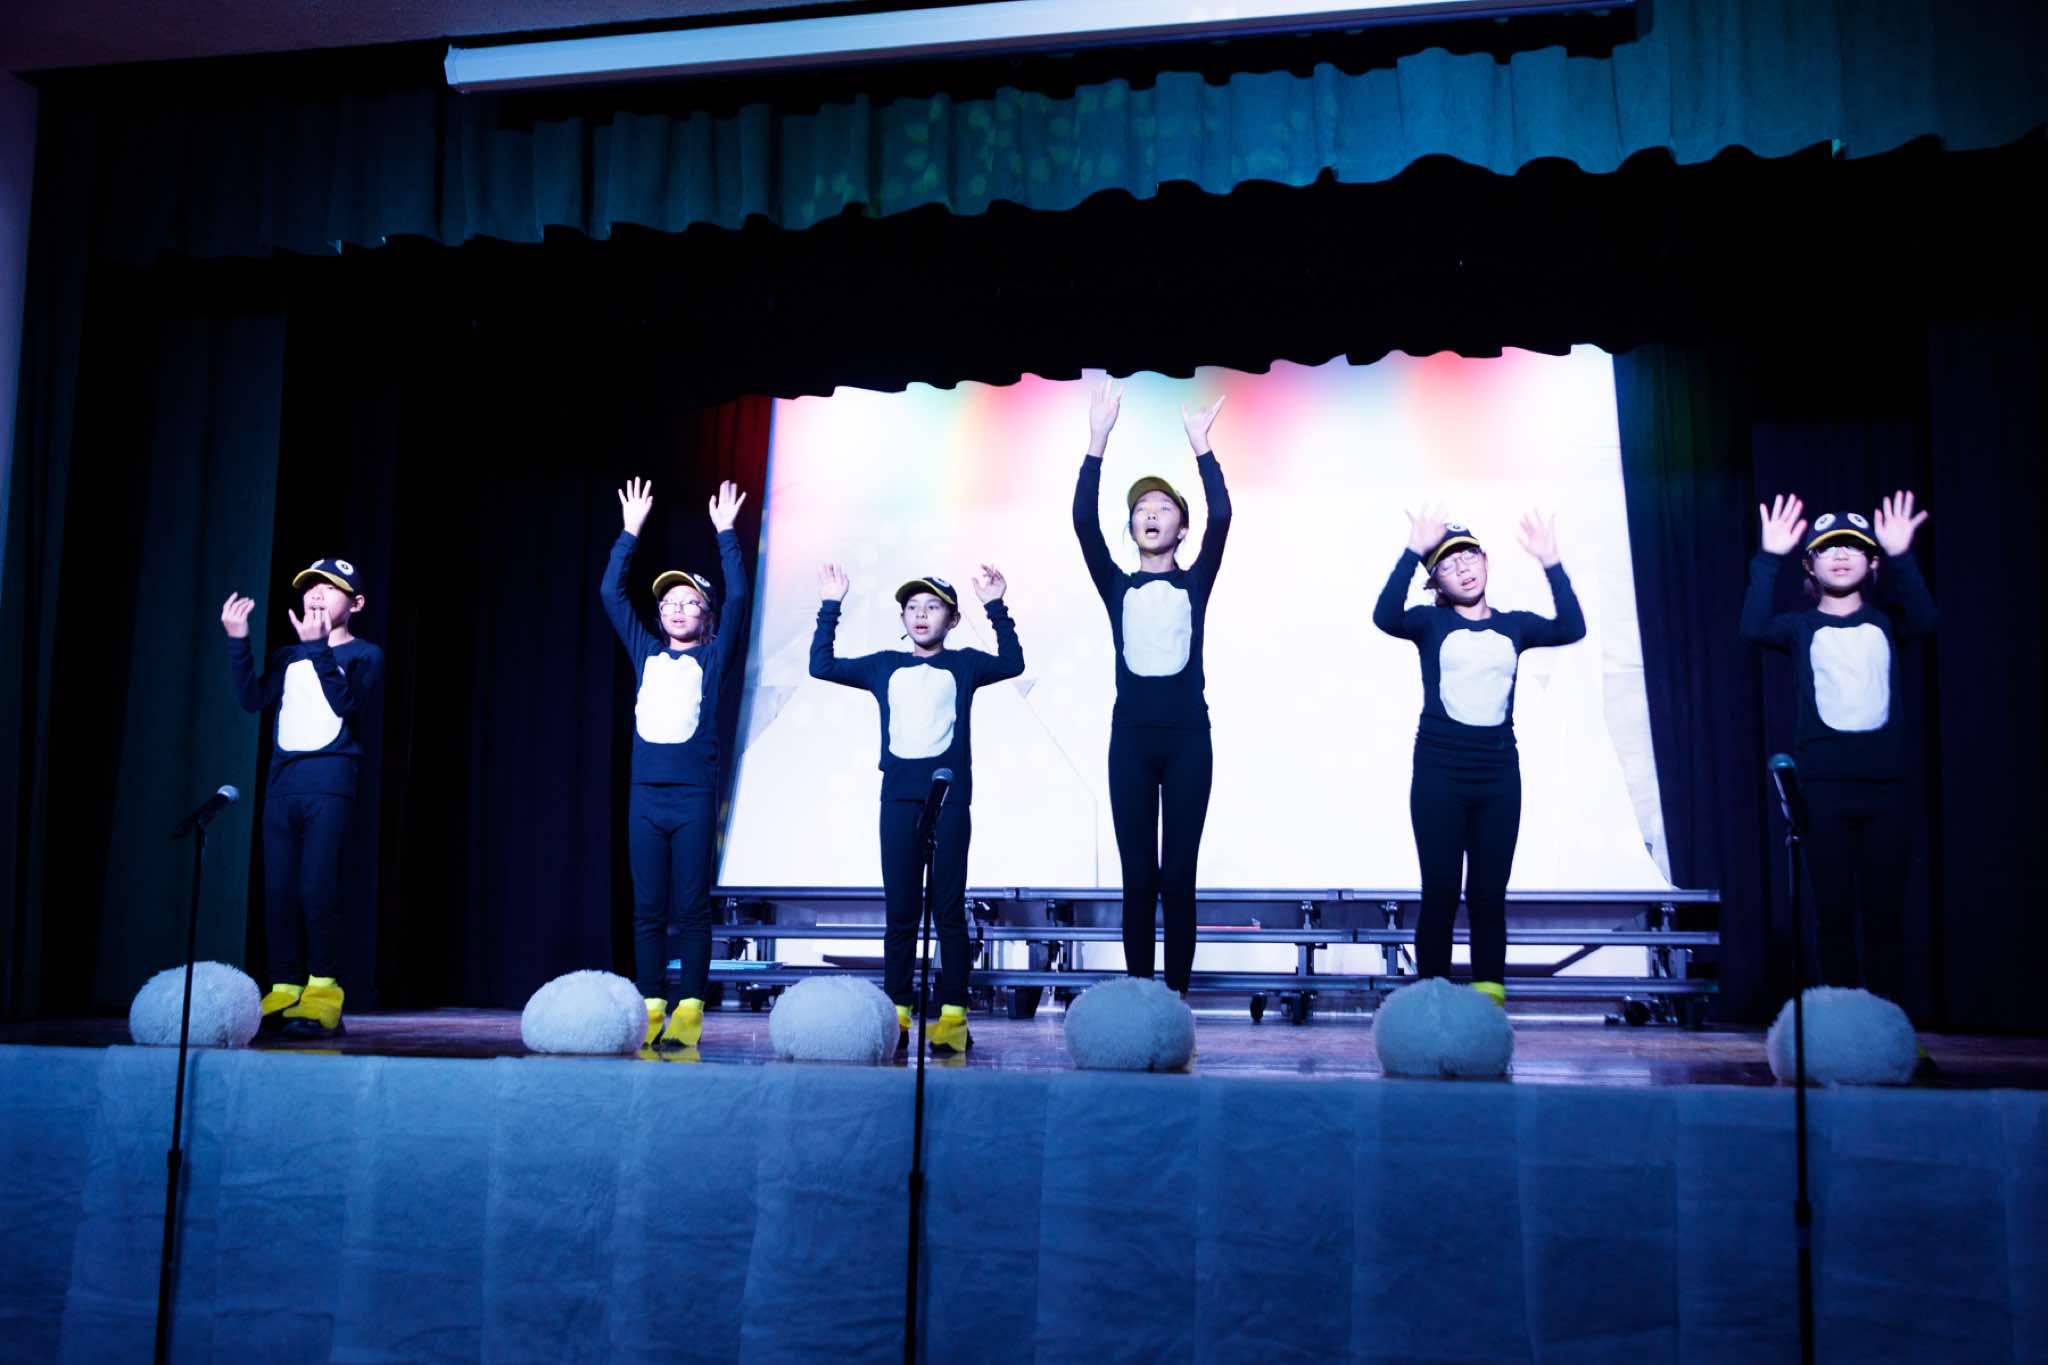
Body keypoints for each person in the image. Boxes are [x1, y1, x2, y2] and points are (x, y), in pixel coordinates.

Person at [1372, 507, 1586, 1006]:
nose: (1463, 568)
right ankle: (1432, 1003)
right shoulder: (1429, 623)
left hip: (1497, 778)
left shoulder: (1515, 627)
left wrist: (1551, 562)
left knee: (1488, 895)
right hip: (1439, 775)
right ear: (1437, 583)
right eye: (1447, 565)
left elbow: (1572, 627)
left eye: (1468, 556)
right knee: (1441, 891)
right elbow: (1384, 616)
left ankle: (1489, 1005)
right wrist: (1411, 550)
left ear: (1486, 561)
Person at [809, 564, 1023, 1054]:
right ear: (903, 618)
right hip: (898, 800)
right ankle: (898, 1015)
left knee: (948, 911)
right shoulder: (884, 665)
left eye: (932, 607)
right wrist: (830, 605)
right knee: (901, 914)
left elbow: (1012, 662)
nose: (921, 614)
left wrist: (996, 606)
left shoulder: (965, 665)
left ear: (952, 618)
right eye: (912, 607)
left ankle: (953, 1018)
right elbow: (822, 666)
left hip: (948, 800)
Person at [1742, 491, 1936, 1007]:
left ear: (1872, 562)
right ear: (1810, 564)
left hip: (1886, 787)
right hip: (1824, 787)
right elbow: (1752, 627)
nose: (1842, 554)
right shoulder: (1799, 627)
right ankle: (1843, 1024)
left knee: (1885, 916)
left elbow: (1926, 620)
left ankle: (1889, 1028)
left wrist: (1901, 555)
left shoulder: (1886, 622)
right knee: (1833, 915)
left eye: (1854, 547)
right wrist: (1768, 557)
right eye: (1828, 547)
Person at [1073, 378, 1230, 996]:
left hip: (1188, 740)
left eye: (1163, 508)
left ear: (1181, 529)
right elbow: (1083, 522)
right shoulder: (1117, 586)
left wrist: (1201, 448)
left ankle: (1177, 999)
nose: (1151, 514)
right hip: (1132, 742)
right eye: (1142, 509)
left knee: (1177, 879)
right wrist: (1097, 440)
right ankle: (1141, 997)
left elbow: (1224, 517)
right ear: (1133, 526)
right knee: (1138, 877)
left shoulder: (1195, 583)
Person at [603, 477, 751, 1049]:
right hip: (645, 795)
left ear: (705, 614)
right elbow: (611, 594)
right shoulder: (645, 652)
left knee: (690, 906)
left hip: (692, 798)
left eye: (690, 601)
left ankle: (690, 1004)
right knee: (646, 906)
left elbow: (739, 599)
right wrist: (629, 532)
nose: (677, 608)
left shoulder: (713, 658)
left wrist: (726, 535)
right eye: (669, 602)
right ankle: (651, 1001)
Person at [221, 558, 385, 1038]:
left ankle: (323, 991)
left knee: (317, 888)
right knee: (279, 891)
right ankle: (285, 986)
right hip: (282, 785)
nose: (315, 594)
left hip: (330, 784)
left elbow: (345, 704)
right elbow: (253, 699)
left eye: (329, 588)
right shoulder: (287, 656)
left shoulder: (365, 655)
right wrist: (238, 641)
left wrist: (318, 649)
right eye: (310, 586)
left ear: (355, 604)